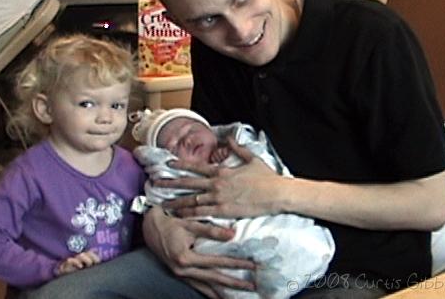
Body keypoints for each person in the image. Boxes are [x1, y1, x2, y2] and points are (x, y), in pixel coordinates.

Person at [20, 0, 445, 299]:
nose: (240, 32)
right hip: (228, 252)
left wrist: (281, 193)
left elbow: (431, 205)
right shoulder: (212, 50)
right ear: (176, 21)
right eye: (206, 20)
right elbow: (194, 161)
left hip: (357, 268)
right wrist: (156, 224)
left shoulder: (372, 38)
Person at [0, 34, 145, 290]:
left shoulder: (132, 166)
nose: (106, 117)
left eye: (116, 105)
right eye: (87, 103)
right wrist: (50, 270)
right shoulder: (28, 173)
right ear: (45, 109)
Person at [129, 107, 335, 299]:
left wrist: (230, 159)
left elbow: (265, 166)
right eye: (174, 146)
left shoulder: (235, 147)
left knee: (296, 243)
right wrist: (154, 217)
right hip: (215, 237)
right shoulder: (171, 177)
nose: (187, 140)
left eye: (192, 129)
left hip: (269, 219)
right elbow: (159, 201)